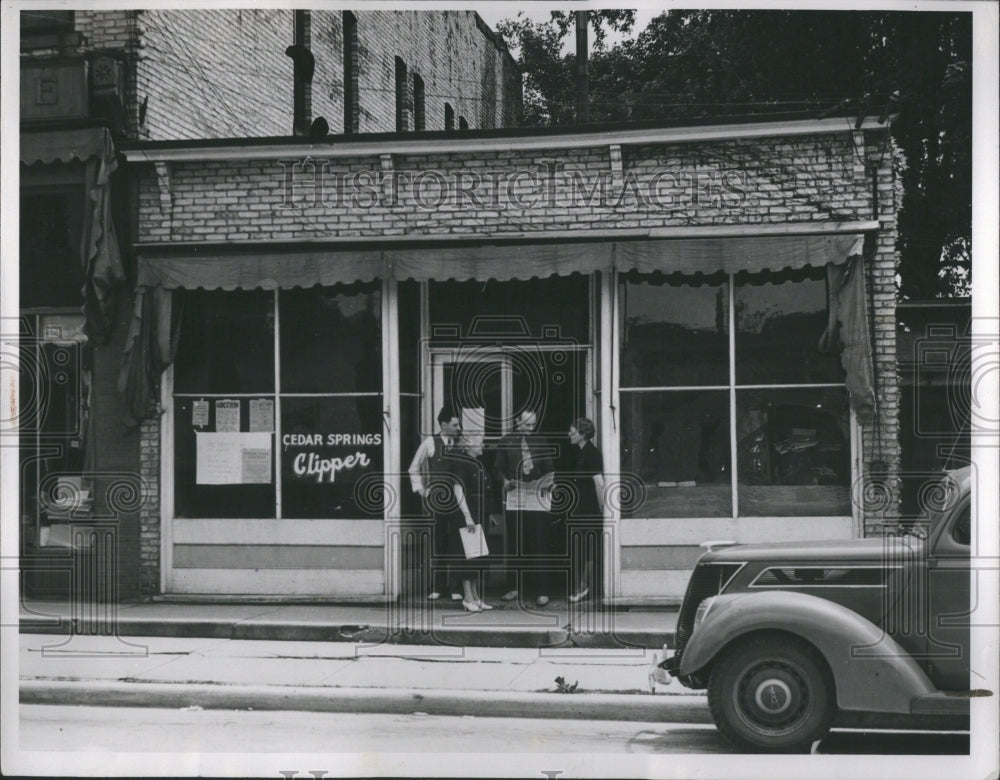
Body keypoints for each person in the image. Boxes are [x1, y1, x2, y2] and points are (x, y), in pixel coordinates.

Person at [493, 409, 556, 607]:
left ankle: (542, 590)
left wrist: (547, 483)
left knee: (538, 543)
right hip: (516, 496)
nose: (530, 428)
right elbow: (497, 469)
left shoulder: (541, 441)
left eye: (533, 425)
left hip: (536, 497)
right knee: (515, 544)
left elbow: (550, 468)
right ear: (517, 422)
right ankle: (514, 587)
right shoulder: (506, 441)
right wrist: (504, 481)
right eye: (527, 424)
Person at [408, 405, 462, 601]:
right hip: (437, 502)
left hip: (458, 501)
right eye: (455, 425)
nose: (458, 428)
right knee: (439, 543)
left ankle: (456, 587)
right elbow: (413, 468)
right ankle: (438, 587)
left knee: (456, 543)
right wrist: (422, 490)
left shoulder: (460, 444)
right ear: (443, 424)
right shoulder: (430, 442)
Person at [444, 433, 495, 612]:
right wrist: (467, 516)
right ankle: (467, 597)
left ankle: (475, 596)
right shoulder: (461, 462)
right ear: (469, 444)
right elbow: (458, 490)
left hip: (480, 513)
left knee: (477, 556)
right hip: (469, 514)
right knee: (468, 557)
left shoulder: (478, 463)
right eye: (480, 443)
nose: (483, 446)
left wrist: (488, 515)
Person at [564, 417, 605, 602]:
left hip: (588, 508)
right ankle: (581, 585)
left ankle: (584, 586)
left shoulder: (592, 454)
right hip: (579, 507)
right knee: (580, 547)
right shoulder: (577, 452)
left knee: (588, 548)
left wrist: (602, 507)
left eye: (573, 432)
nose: (569, 435)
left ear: (583, 434)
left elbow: (599, 483)